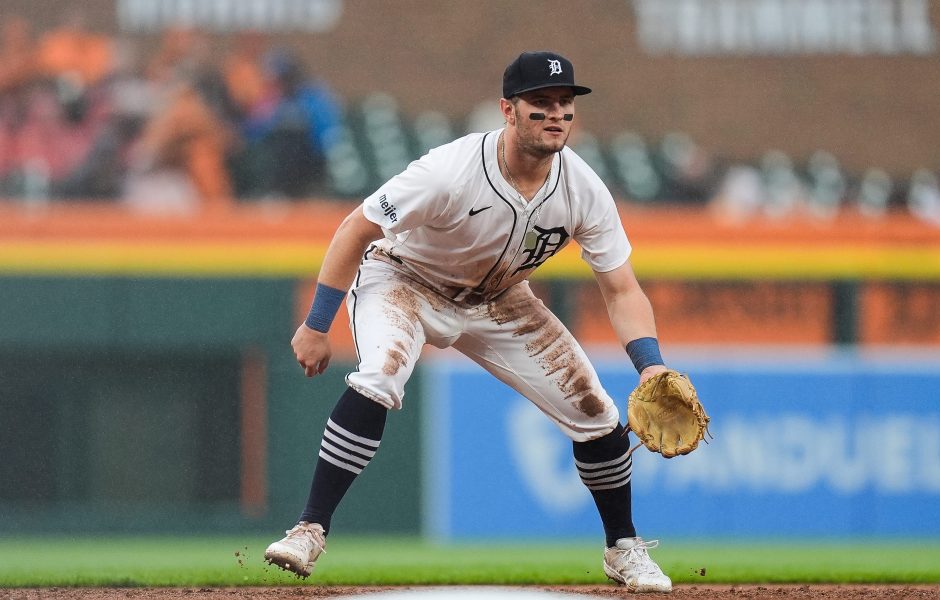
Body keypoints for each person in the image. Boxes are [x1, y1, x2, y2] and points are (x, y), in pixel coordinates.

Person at [264, 51, 674, 593]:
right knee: (381, 375)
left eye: (565, 105)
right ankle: (309, 530)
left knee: (595, 411)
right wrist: (317, 325)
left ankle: (623, 548)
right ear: (509, 110)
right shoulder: (450, 170)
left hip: (500, 297)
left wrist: (650, 367)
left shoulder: (583, 188)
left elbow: (621, 288)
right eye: (540, 104)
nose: (556, 115)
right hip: (405, 279)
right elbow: (354, 230)